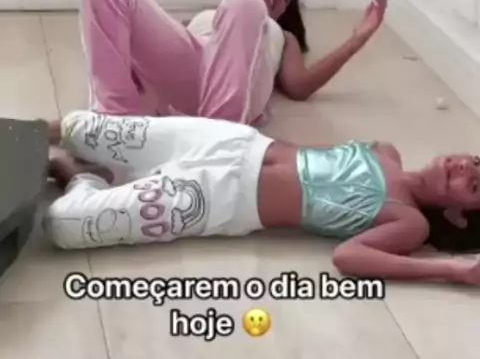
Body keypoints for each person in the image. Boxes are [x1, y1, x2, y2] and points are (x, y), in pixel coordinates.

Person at [45, 110, 480, 286]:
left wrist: (452, 270)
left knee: (64, 225)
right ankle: (23, 132)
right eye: (475, 161)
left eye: (474, 185)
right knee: (82, 128)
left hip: (220, 199)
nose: (463, 167)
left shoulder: (409, 221)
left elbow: (349, 257)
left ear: (459, 216)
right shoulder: (386, 150)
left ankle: (81, 177)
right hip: (231, 141)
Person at [79, 0, 387, 124]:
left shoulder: (280, 35)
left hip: (233, 94)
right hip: (190, 72)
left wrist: (358, 38)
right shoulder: (207, 15)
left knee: (245, 4)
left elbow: (300, 86)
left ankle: (217, 146)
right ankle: (114, 126)